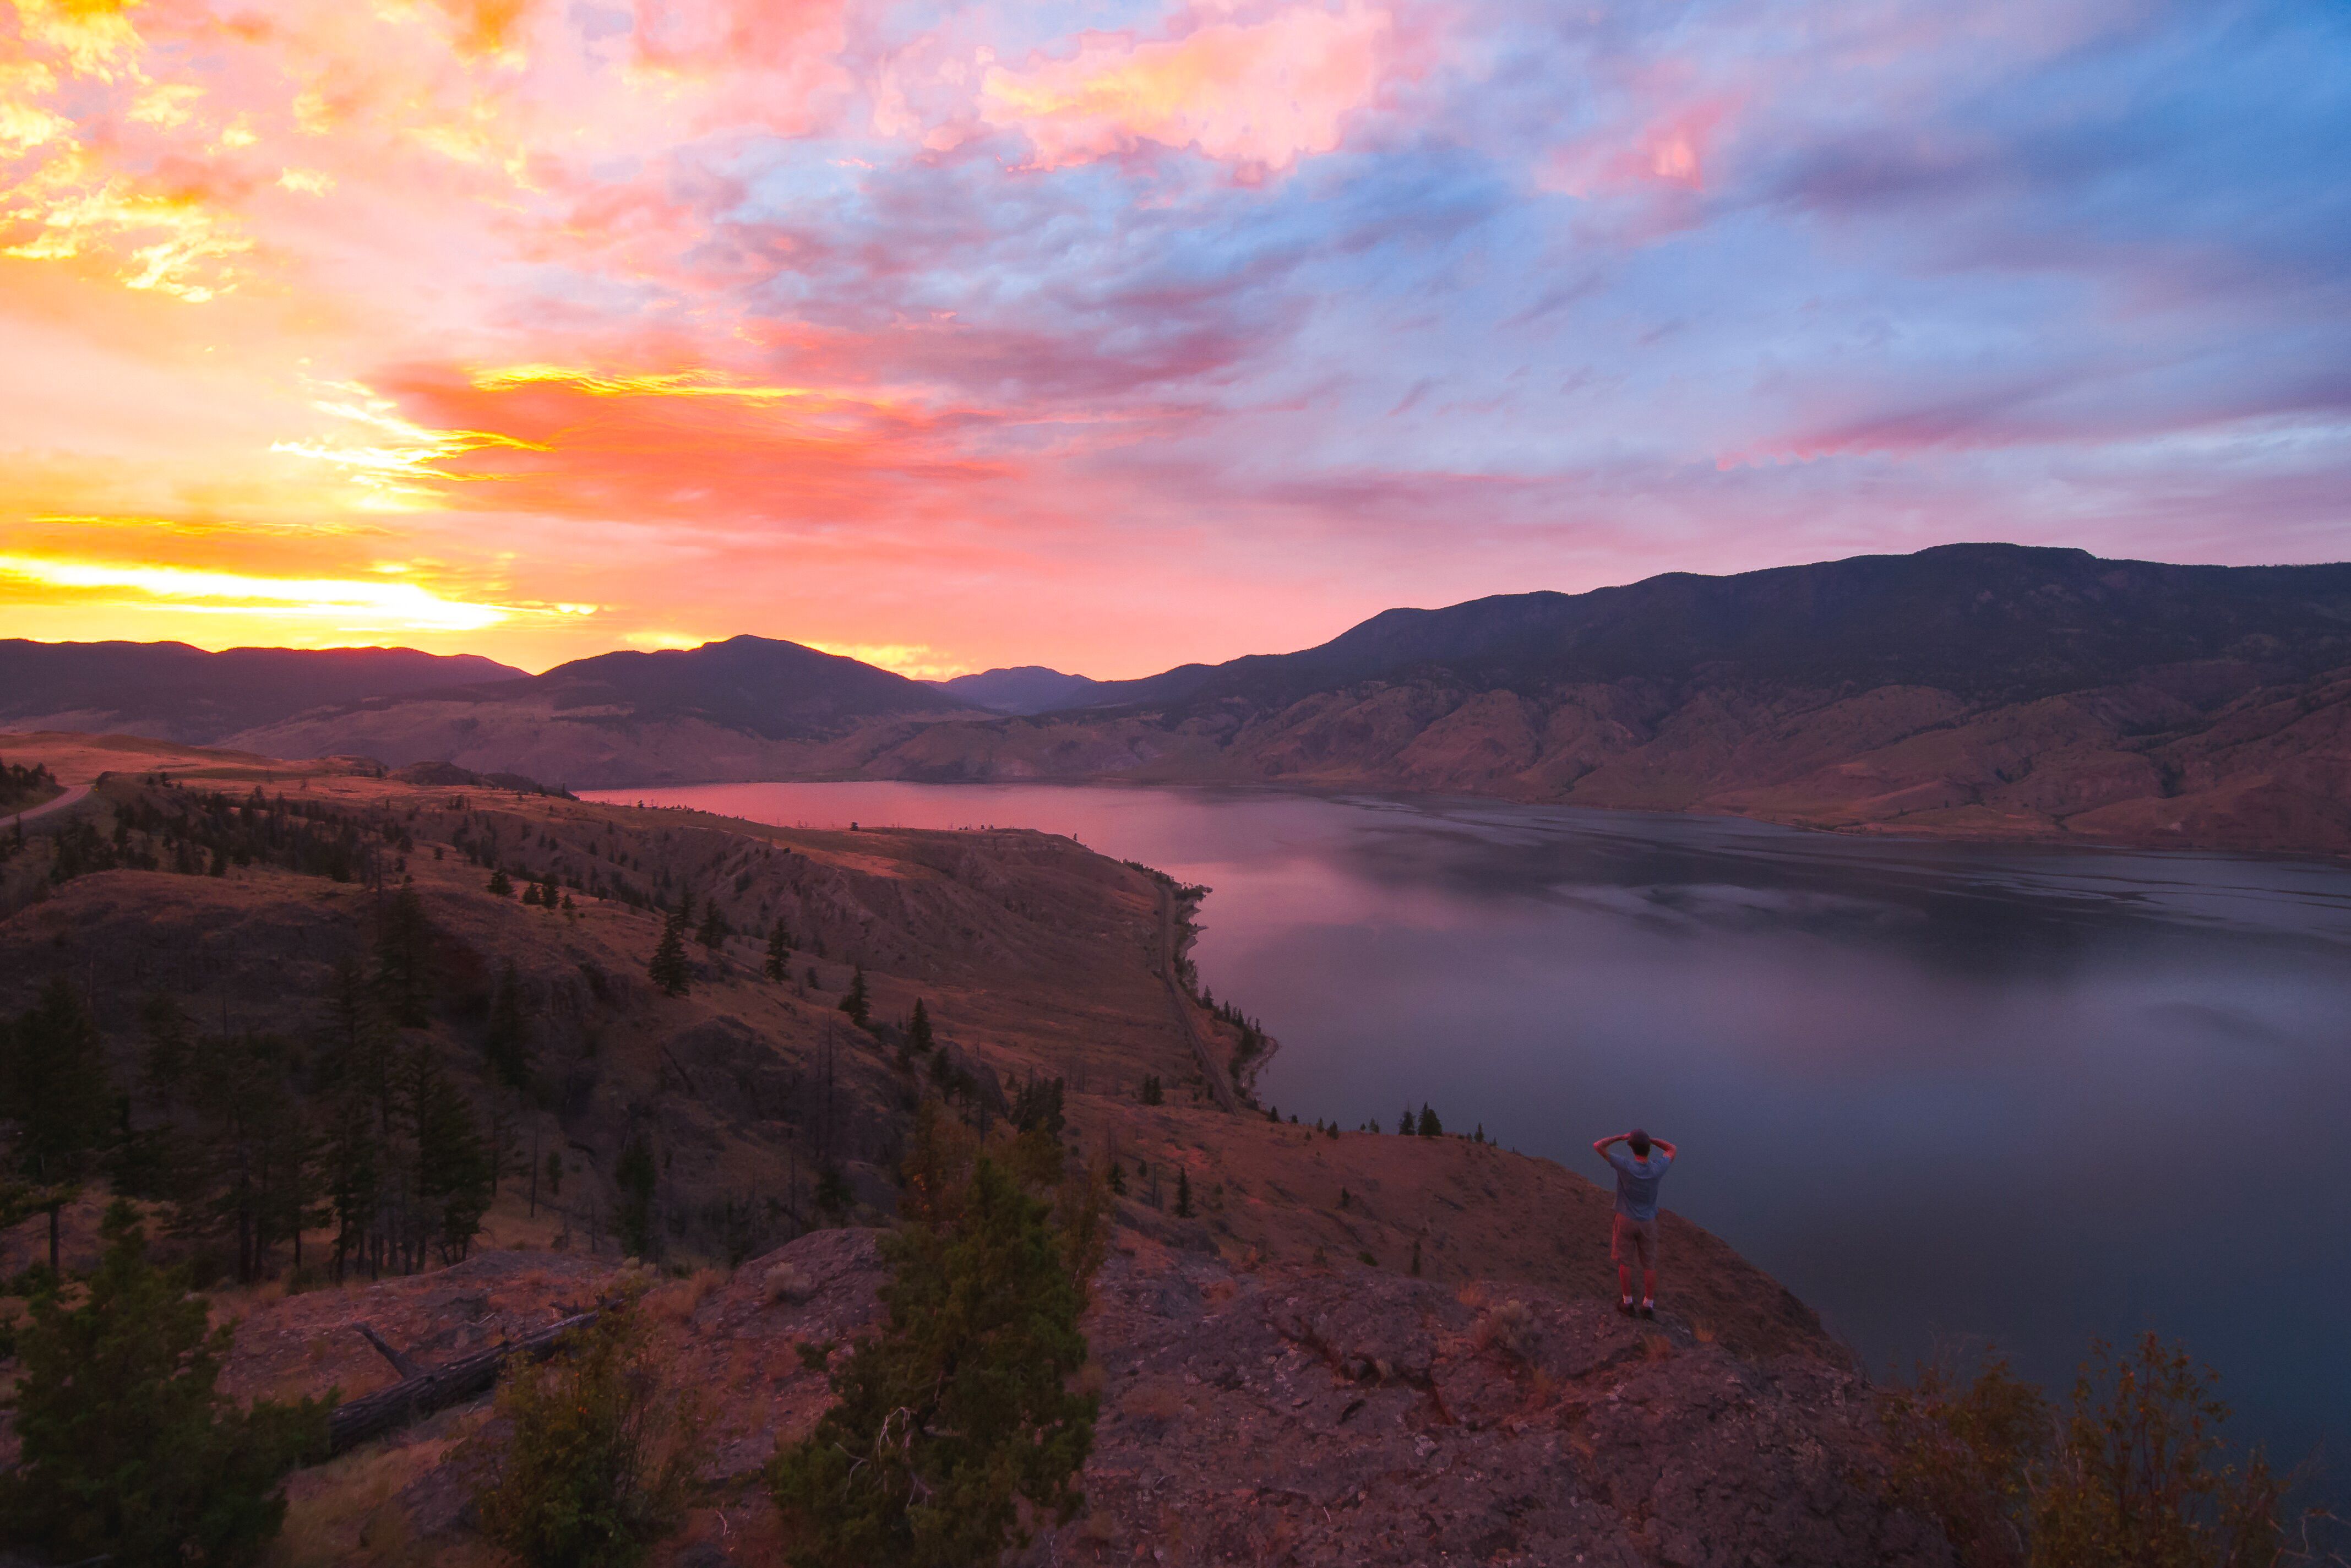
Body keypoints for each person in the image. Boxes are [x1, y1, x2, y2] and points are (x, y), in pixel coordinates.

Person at [1592, 1127, 1677, 1319]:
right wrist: (1651, 1140)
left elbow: (1598, 1146)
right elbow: (1672, 1149)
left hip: (1625, 1219)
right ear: (1647, 1149)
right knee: (1649, 1263)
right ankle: (1648, 1305)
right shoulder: (1657, 1169)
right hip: (1648, 1221)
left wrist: (1620, 1137)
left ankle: (1628, 1302)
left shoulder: (1625, 1166)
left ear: (1632, 1149)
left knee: (1625, 1261)